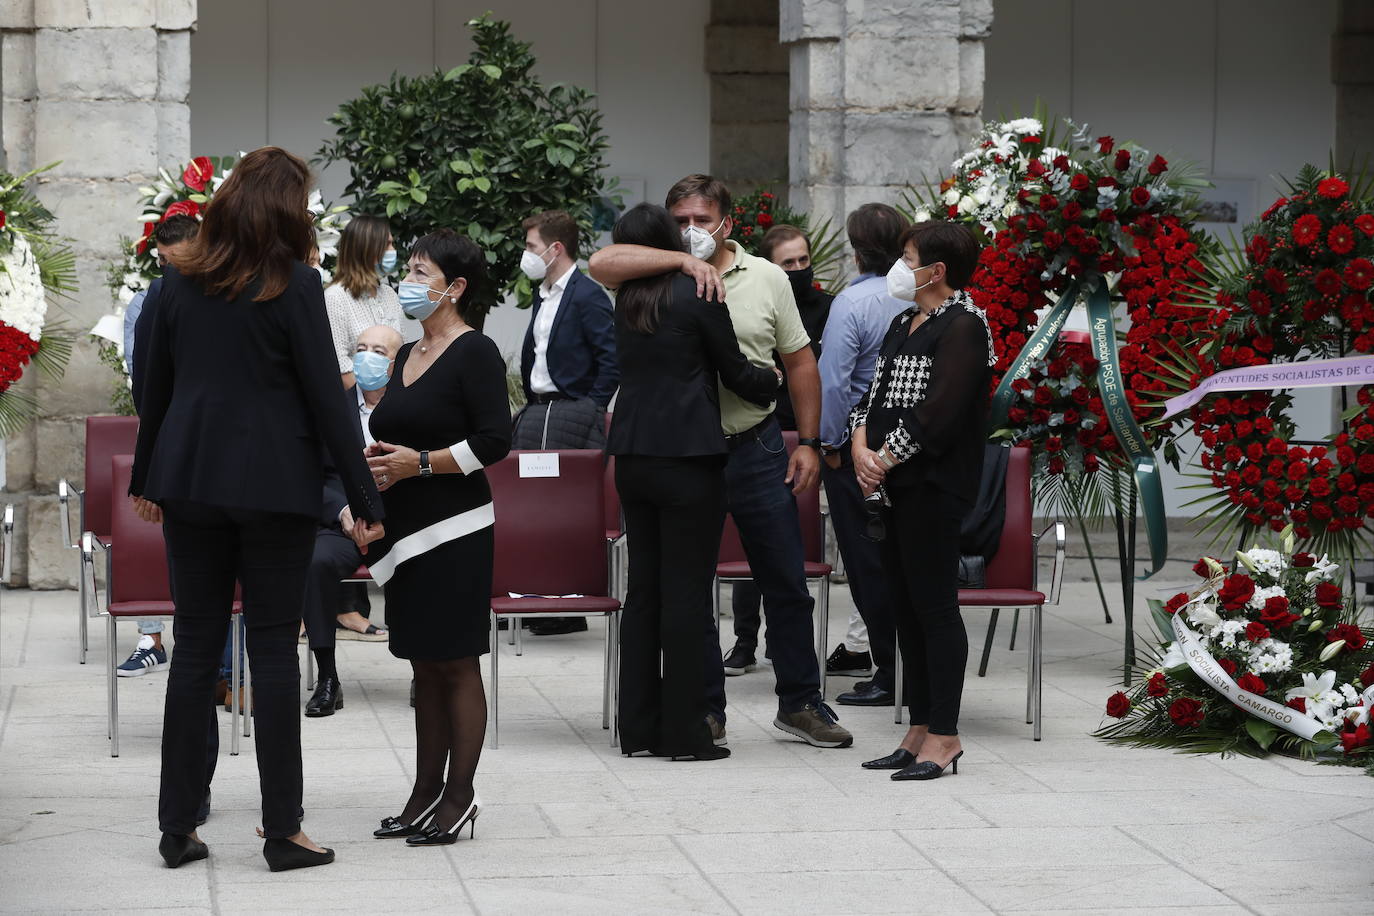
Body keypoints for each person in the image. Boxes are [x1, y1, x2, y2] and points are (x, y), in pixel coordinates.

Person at [130, 147, 385, 872]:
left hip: (193, 484)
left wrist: (147, 478)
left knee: (195, 648)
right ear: (287, 212)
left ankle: (178, 827)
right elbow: (327, 401)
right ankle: (283, 832)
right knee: (274, 651)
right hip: (273, 488)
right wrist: (362, 499)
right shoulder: (296, 286)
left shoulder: (176, 284)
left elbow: (155, 392)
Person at [590, 174, 852, 750]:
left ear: (726, 223)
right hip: (686, 457)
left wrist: (808, 440)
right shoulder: (651, 275)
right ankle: (704, 709)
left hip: (753, 445)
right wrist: (682, 262)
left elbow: (800, 361)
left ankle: (801, 702)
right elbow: (600, 260)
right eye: (679, 220)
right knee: (692, 587)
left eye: (701, 222)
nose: (691, 231)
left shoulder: (766, 278)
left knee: (784, 577)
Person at [605, 204, 781, 761]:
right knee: (686, 595)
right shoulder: (698, 294)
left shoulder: (626, 301)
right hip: (689, 458)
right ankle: (684, 733)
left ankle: (636, 729)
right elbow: (737, 374)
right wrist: (772, 377)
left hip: (633, 457)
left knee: (643, 594)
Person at [363, 229, 510, 846]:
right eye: (409, 270)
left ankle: (459, 796)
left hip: (455, 530)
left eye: (421, 273)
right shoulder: (404, 354)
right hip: (405, 535)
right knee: (423, 667)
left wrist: (418, 464)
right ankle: (424, 792)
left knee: (455, 663)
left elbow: (494, 441)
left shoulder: (475, 352)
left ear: (455, 288)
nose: (409, 282)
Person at [851, 221, 993, 781]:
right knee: (904, 607)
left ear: (936, 271)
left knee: (934, 609)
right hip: (890, 486)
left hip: (932, 487)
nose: (898, 266)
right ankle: (918, 727)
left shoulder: (964, 326)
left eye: (907, 257)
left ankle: (946, 734)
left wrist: (882, 459)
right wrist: (860, 442)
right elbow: (874, 390)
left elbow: (940, 412)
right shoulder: (902, 320)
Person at [722, 223, 833, 676]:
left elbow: (811, 365)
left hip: (775, 436)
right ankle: (743, 641)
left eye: (804, 261)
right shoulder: (695, 281)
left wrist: (811, 440)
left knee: (781, 562)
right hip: (731, 433)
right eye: (789, 263)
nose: (799, 270)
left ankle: (797, 686)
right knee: (740, 563)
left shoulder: (819, 305)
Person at [818, 203, 912, 706]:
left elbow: (834, 383)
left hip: (859, 444)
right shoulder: (917, 297)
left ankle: (888, 670)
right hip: (910, 442)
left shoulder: (850, 305)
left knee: (866, 560)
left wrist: (829, 444)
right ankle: (908, 665)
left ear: (855, 252)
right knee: (901, 558)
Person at [514, 209, 619, 636]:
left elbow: (612, 359)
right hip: (539, 410)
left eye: (532, 246)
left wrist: (592, 407)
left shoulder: (587, 294)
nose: (527, 254)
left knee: (565, 511)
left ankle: (567, 604)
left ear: (556, 249)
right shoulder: (545, 293)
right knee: (531, 506)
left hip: (573, 411)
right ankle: (531, 596)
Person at [301, 325, 404, 718]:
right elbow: (312, 474)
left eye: (378, 350)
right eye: (361, 349)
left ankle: (423, 670)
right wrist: (345, 512)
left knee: (422, 559)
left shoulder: (411, 406)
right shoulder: (330, 408)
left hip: (400, 522)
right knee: (315, 561)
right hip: (342, 522)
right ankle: (328, 676)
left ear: (395, 364)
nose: (368, 357)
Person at [117, 214, 199, 678]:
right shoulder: (150, 298)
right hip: (169, 434)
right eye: (165, 261)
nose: (171, 269)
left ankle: (223, 665)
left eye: (177, 260)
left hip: (213, 443)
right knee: (168, 544)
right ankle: (154, 637)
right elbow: (145, 385)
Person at [324, 215, 403, 388]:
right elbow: (339, 365)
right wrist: (373, 401)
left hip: (392, 399)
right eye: (387, 244)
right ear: (367, 249)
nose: (393, 250)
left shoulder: (389, 294)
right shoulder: (335, 297)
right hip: (356, 404)